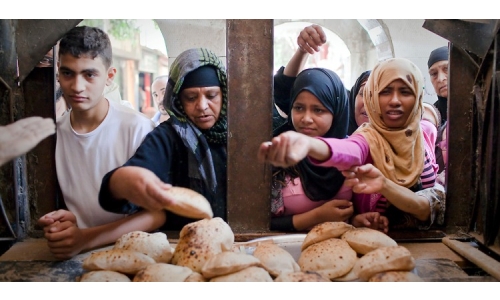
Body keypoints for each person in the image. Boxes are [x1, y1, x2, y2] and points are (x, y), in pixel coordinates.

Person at [258, 58, 441, 232]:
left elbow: (430, 207)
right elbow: (347, 150)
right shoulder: (365, 138)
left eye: (405, 91)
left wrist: (356, 219)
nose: (394, 100)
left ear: (418, 97)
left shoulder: (425, 134)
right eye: (385, 91)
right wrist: (309, 144)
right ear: (372, 96)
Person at [37, 26, 162, 260]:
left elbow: (156, 214)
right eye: (67, 73)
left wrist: (86, 238)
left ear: (110, 76)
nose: (77, 86)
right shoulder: (54, 134)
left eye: (89, 74)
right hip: (77, 258)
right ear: (58, 74)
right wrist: (65, 223)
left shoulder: (137, 128)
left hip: (133, 255)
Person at [98, 47, 228, 230]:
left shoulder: (240, 136)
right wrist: (122, 180)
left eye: (211, 95)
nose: (202, 106)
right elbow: (120, 192)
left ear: (224, 94)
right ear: (177, 99)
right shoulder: (167, 138)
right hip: (179, 247)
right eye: (191, 97)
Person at [270, 67, 353, 232]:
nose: (306, 119)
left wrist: (358, 219)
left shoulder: (351, 153)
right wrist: (317, 216)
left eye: (318, 110)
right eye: (299, 108)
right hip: (286, 251)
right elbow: (256, 222)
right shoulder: (278, 154)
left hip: (344, 251)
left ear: (336, 112)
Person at [428, 45, 449, 173]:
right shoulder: (431, 116)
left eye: (446, 69)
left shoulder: (478, 110)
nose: (440, 79)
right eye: (434, 74)